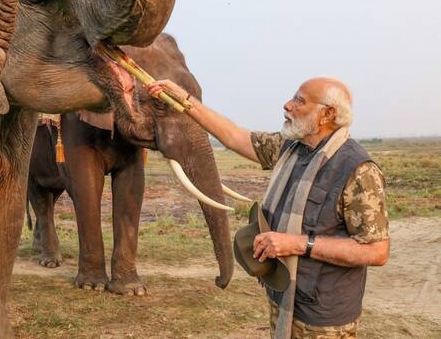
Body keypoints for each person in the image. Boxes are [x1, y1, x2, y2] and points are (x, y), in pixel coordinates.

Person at [146, 77, 389, 339]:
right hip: (284, 296)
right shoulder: (290, 149)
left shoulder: (357, 170)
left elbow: (376, 251)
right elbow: (234, 135)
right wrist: (183, 99)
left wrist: (297, 244)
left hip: (324, 315)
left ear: (327, 114)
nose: (287, 105)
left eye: (299, 100)